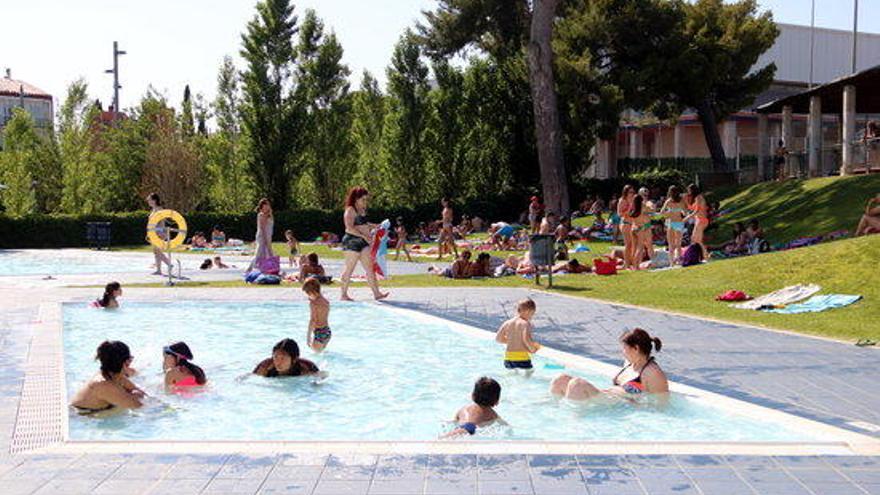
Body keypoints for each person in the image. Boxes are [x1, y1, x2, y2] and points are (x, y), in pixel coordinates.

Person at [550, 328, 668, 401]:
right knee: (560, 379)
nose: (622, 352)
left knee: (576, 384)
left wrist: (635, 406)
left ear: (636, 348)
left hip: (616, 406)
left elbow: (662, 405)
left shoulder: (652, 373)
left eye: (624, 348)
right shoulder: (629, 364)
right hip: (605, 397)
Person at [339, 187, 388, 301]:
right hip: (352, 242)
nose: (365, 202)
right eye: (363, 199)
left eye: (366, 199)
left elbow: (365, 224)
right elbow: (349, 228)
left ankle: (377, 293)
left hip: (364, 242)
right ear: (356, 198)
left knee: (370, 268)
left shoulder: (362, 210)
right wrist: (364, 236)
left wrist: (377, 226)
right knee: (349, 269)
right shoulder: (350, 210)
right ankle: (343, 294)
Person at [70, 341, 144, 414]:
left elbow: (140, 393)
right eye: (130, 358)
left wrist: (135, 395)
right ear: (126, 362)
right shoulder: (103, 384)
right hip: (80, 416)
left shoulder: (112, 374)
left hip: (97, 410)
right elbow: (140, 407)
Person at [495, 298, 540, 373]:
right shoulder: (525, 323)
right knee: (530, 372)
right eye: (532, 314)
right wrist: (533, 349)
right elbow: (526, 339)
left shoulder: (508, 322)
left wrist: (511, 341)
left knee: (513, 374)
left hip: (508, 357)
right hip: (521, 357)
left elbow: (498, 338)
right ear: (528, 311)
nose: (531, 317)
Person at [253, 338, 320, 377]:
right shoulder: (265, 367)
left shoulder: (306, 367)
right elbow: (250, 377)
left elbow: (321, 377)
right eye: (276, 357)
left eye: (283, 358)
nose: (278, 362)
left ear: (294, 359)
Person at [146, 193, 172, 276]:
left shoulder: (159, 209)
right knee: (156, 252)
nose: (148, 201)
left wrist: (162, 232)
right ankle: (159, 270)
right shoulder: (153, 209)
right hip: (153, 232)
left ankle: (169, 264)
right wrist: (149, 232)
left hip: (159, 232)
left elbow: (161, 222)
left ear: (154, 200)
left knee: (158, 251)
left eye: (149, 199)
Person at [303, 278, 331, 352]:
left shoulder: (314, 304)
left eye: (308, 294)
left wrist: (308, 336)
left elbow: (313, 320)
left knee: (315, 354)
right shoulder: (325, 301)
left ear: (312, 292)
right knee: (322, 353)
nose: (308, 297)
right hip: (327, 331)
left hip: (319, 333)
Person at [660, 186, 687, 263]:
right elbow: (685, 213)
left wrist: (668, 213)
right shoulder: (681, 201)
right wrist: (679, 211)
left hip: (671, 223)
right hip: (679, 223)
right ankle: (679, 260)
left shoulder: (668, 201)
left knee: (671, 244)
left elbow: (662, 212)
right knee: (678, 243)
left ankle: (671, 262)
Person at [248, 198, 275, 272]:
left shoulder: (270, 215)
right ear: (262, 206)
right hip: (262, 236)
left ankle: (267, 268)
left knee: (267, 252)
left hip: (268, 235)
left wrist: (269, 239)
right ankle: (251, 268)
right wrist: (266, 240)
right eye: (265, 205)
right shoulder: (261, 215)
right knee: (260, 252)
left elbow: (270, 227)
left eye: (267, 205)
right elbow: (262, 229)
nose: (267, 207)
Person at [684, 184, 710, 254]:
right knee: (694, 239)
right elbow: (692, 208)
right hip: (698, 220)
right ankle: (703, 254)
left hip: (701, 220)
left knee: (697, 240)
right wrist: (686, 201)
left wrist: (688, 217)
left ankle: (705, 254)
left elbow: (697, 210)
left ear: (692, 190)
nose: (688, 192)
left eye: (689, 190)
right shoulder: (696, 198)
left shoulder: (699, 197)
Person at [630, 196, 654, 267]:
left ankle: (634, 264)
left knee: (634, 248)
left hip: (634, 228)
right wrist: (649, 203)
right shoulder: (643, 207)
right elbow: (652, 210)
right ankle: (636, 266)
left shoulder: (634, 209)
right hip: (641, 228)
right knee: (640, 248)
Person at [618, 185, 637, 269]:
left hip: (633, 224)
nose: (632, 194)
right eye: (630, 192)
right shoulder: (622, 200)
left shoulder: (634, 200)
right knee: (628, 244)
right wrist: (629, 208)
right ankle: (626, 264)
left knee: (633, 244)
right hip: (625, 224)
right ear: (626, 192)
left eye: (633, 192)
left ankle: (631, 262)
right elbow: (620, 214)